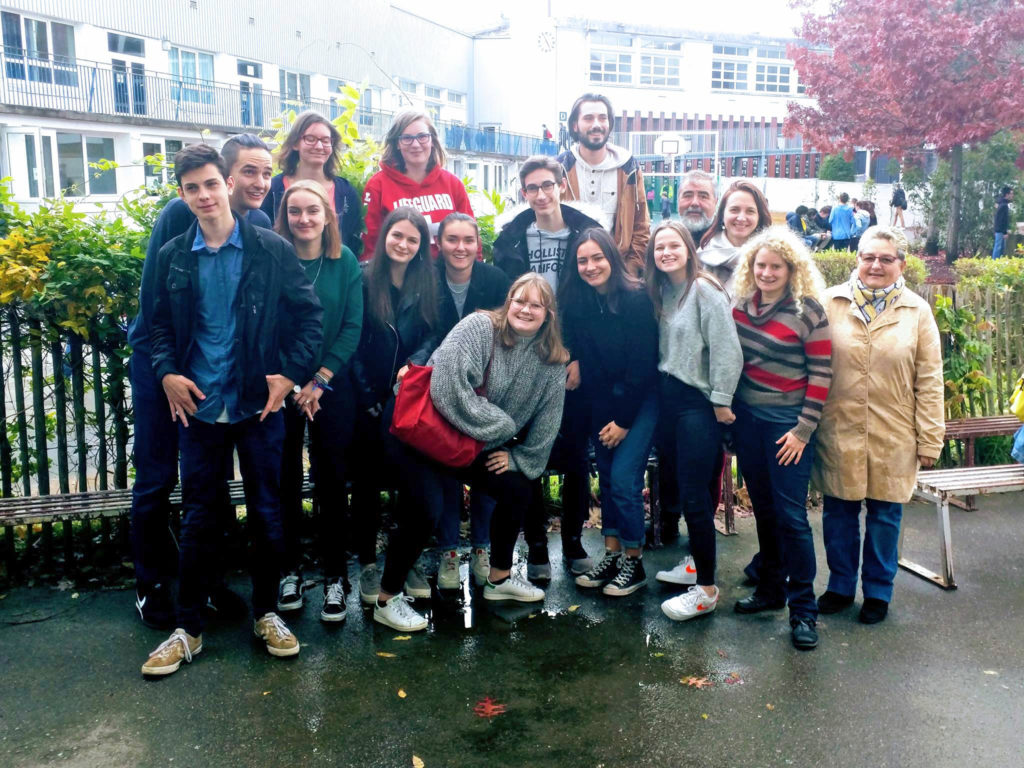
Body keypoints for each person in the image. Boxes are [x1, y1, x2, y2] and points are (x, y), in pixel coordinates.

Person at [141, 144, 323, 676]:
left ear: (227, 185)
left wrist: (290, 374)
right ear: (182, 195)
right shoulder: (174, 254)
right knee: (199, 516)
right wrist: (166, 373)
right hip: (199, 405)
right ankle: (188, 629)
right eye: (191, 188)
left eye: (210, 184)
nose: (203, 195)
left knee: (267, 511)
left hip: (256, 405)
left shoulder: (269, 248)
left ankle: (267, 614)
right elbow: (157, 325)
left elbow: (309, 318)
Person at [129, 134, 274, 629]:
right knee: (156, 476)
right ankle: (150, 584)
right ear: (227, 175)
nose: (258, 182)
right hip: (161, 365)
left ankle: (208, 583)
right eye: (249, 171)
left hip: (210, 373)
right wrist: (166, 372)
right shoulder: (180, 213)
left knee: (209, 483)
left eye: (265, 173)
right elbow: (153, 303)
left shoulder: (257, 227)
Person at [372, 273, 570, 631]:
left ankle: (499, 578)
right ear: (508, 302)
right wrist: (504, 427)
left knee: (517, 486)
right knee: (426, 509)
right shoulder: (480, 327)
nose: (525, 310)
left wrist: (520, 458)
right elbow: (448, 389)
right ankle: (387, 600)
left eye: (536, 305)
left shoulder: (553, 362)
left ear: (548, 315)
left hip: (468, 438)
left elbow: (548, 422)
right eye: (519, 301)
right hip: (421, 428)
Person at [811, 225, 944, 625]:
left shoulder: (917, 311)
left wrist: (930, 439)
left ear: (901, 264)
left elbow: (930, 379)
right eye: (868, 257)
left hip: (895, 434)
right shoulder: (829, 302)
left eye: (886, 259)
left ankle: (878, 592)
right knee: (839, 514)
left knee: (886, 517)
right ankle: (840, 586)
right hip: (839, 428)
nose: (876, 265)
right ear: (857, 259)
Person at [492, 155, 602, 578]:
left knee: (575, 456)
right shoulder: (512, 239)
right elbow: (507, 303)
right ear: (524, 193)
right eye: (532, 188)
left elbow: (594, 304)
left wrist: (580, 356)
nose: (540, 194)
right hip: (526, 359)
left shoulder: (585, 233)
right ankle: (537, 546)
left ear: (561, 186)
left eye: (547, 185)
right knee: (527, 451)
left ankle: (573, 542)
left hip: (571, 356)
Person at [728, 227, 832, 651]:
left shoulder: (808, 311)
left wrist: (803, 430)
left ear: (792, 270)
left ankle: (803, 611)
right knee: (765, 511)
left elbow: (822, 373)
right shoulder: (740, 307)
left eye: (776, 267)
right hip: (749, 423)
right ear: (751, 267)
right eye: (761, 265)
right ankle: (771, 589)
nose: (767, 273)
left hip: (788, 427)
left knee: (792, 518)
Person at [273, 180, 363, 623]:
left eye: (313, 210)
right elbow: (266, 326)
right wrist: (293, 384)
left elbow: (352, 325)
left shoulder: (344, 261)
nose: (304, 219)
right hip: (282, 386)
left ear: (328, 215)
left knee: (331, 481)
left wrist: (320, 380)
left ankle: (334, 577)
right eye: (295, 211)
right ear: (284, 216)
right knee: (285, 480)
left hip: (331, 386)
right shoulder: (273, 258)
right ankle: (288, 572)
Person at [647, 221, 743, 623]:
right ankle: (695, 566)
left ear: (689, 248)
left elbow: (727, 350)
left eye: (674, 245)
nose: (666, 253)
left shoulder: (704, 289)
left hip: (697, 405)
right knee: (683, 490)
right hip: (667, 401)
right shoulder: (662, 290)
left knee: (694, 496)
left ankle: (706, 590)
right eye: (659, 247)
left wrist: (721, 402)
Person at [559, 228, 659, 597]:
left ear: (611, 258)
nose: (590, 266)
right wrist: (575, 359)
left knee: (624, 479)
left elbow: (642, 366)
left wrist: (624, 422)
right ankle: (613, 553)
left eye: (597, 258)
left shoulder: (636, 298)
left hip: (640, 399)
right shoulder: (581, 302)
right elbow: (586, 358)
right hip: (602, 400)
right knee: (606, 478)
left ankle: (634, 561)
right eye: (582, 260)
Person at [349, 208, 440, 605]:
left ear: (422, 246)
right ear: (384, 236)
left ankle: (405, 560)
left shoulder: (427, 282)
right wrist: (370, 395)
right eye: (397, 236)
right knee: (366, 483)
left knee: (409, 482)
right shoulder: (363, 278)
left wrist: (414, 368)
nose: (403, 244)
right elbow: (351, 339)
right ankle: (369, 564)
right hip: (366, 397)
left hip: (410, 397)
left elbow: (434, 333)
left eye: (412, 239)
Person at [433, 213, 510, 590]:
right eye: (452, 239)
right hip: (439, 385)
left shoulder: (494, 279)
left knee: (485, 466)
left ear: (478, 245)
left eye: (468, 240)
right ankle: (448, 551)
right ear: (439, 244)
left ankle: (482, 547)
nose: (460, 247)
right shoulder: (428, 278)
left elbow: (513, 325)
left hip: (485, 386)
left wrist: (493, 317)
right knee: (445, 466)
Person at [557, 93, 650, 275]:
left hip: (618, 271)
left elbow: (641, 227)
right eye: (588, 118)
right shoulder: (559, 168)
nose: (597, 124)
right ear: (575, 125)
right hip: (572, 272)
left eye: (602, 118)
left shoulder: (629, 167)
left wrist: (629, 271)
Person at [362, 110, 475, 259]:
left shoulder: (452, 184)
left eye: (422, 137)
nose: (415, 144)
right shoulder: (377, 185)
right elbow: (370, 245)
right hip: (396, 272)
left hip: (445, 272)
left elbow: (470, 236)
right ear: (397, 143)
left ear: (432, 140)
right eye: (407, 138)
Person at [260, 111, 362, 256]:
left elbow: (352, 241)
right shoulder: (273, 189)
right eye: (310, 139)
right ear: (295, 143)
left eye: (326, 140)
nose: (319, 146)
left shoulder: (346, 192)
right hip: (281, 267)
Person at [697, 180, 772, 296]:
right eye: (734, 210)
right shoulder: (702, 256)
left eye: (750, 211)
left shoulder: (773, 257)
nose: (741, 218)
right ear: (722, 214)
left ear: (759, 217)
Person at [677, 170, 718, 245]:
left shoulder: (729, 241)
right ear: (678, 200)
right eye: (688, 196)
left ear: (715, 202)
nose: (694, 203)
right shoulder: (665, 241)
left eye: (703, 197)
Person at [993, 186, 1014, 258]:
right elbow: (1002, 220)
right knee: (998, 249)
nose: (1012, 195)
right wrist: (1004, 232)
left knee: (1000, 249)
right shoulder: (1004, 205)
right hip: (1000, 231)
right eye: (1011, 193)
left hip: (999, 230)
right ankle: (994, 263)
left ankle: (998, 263)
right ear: (1007, 194)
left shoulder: (1001, 203)